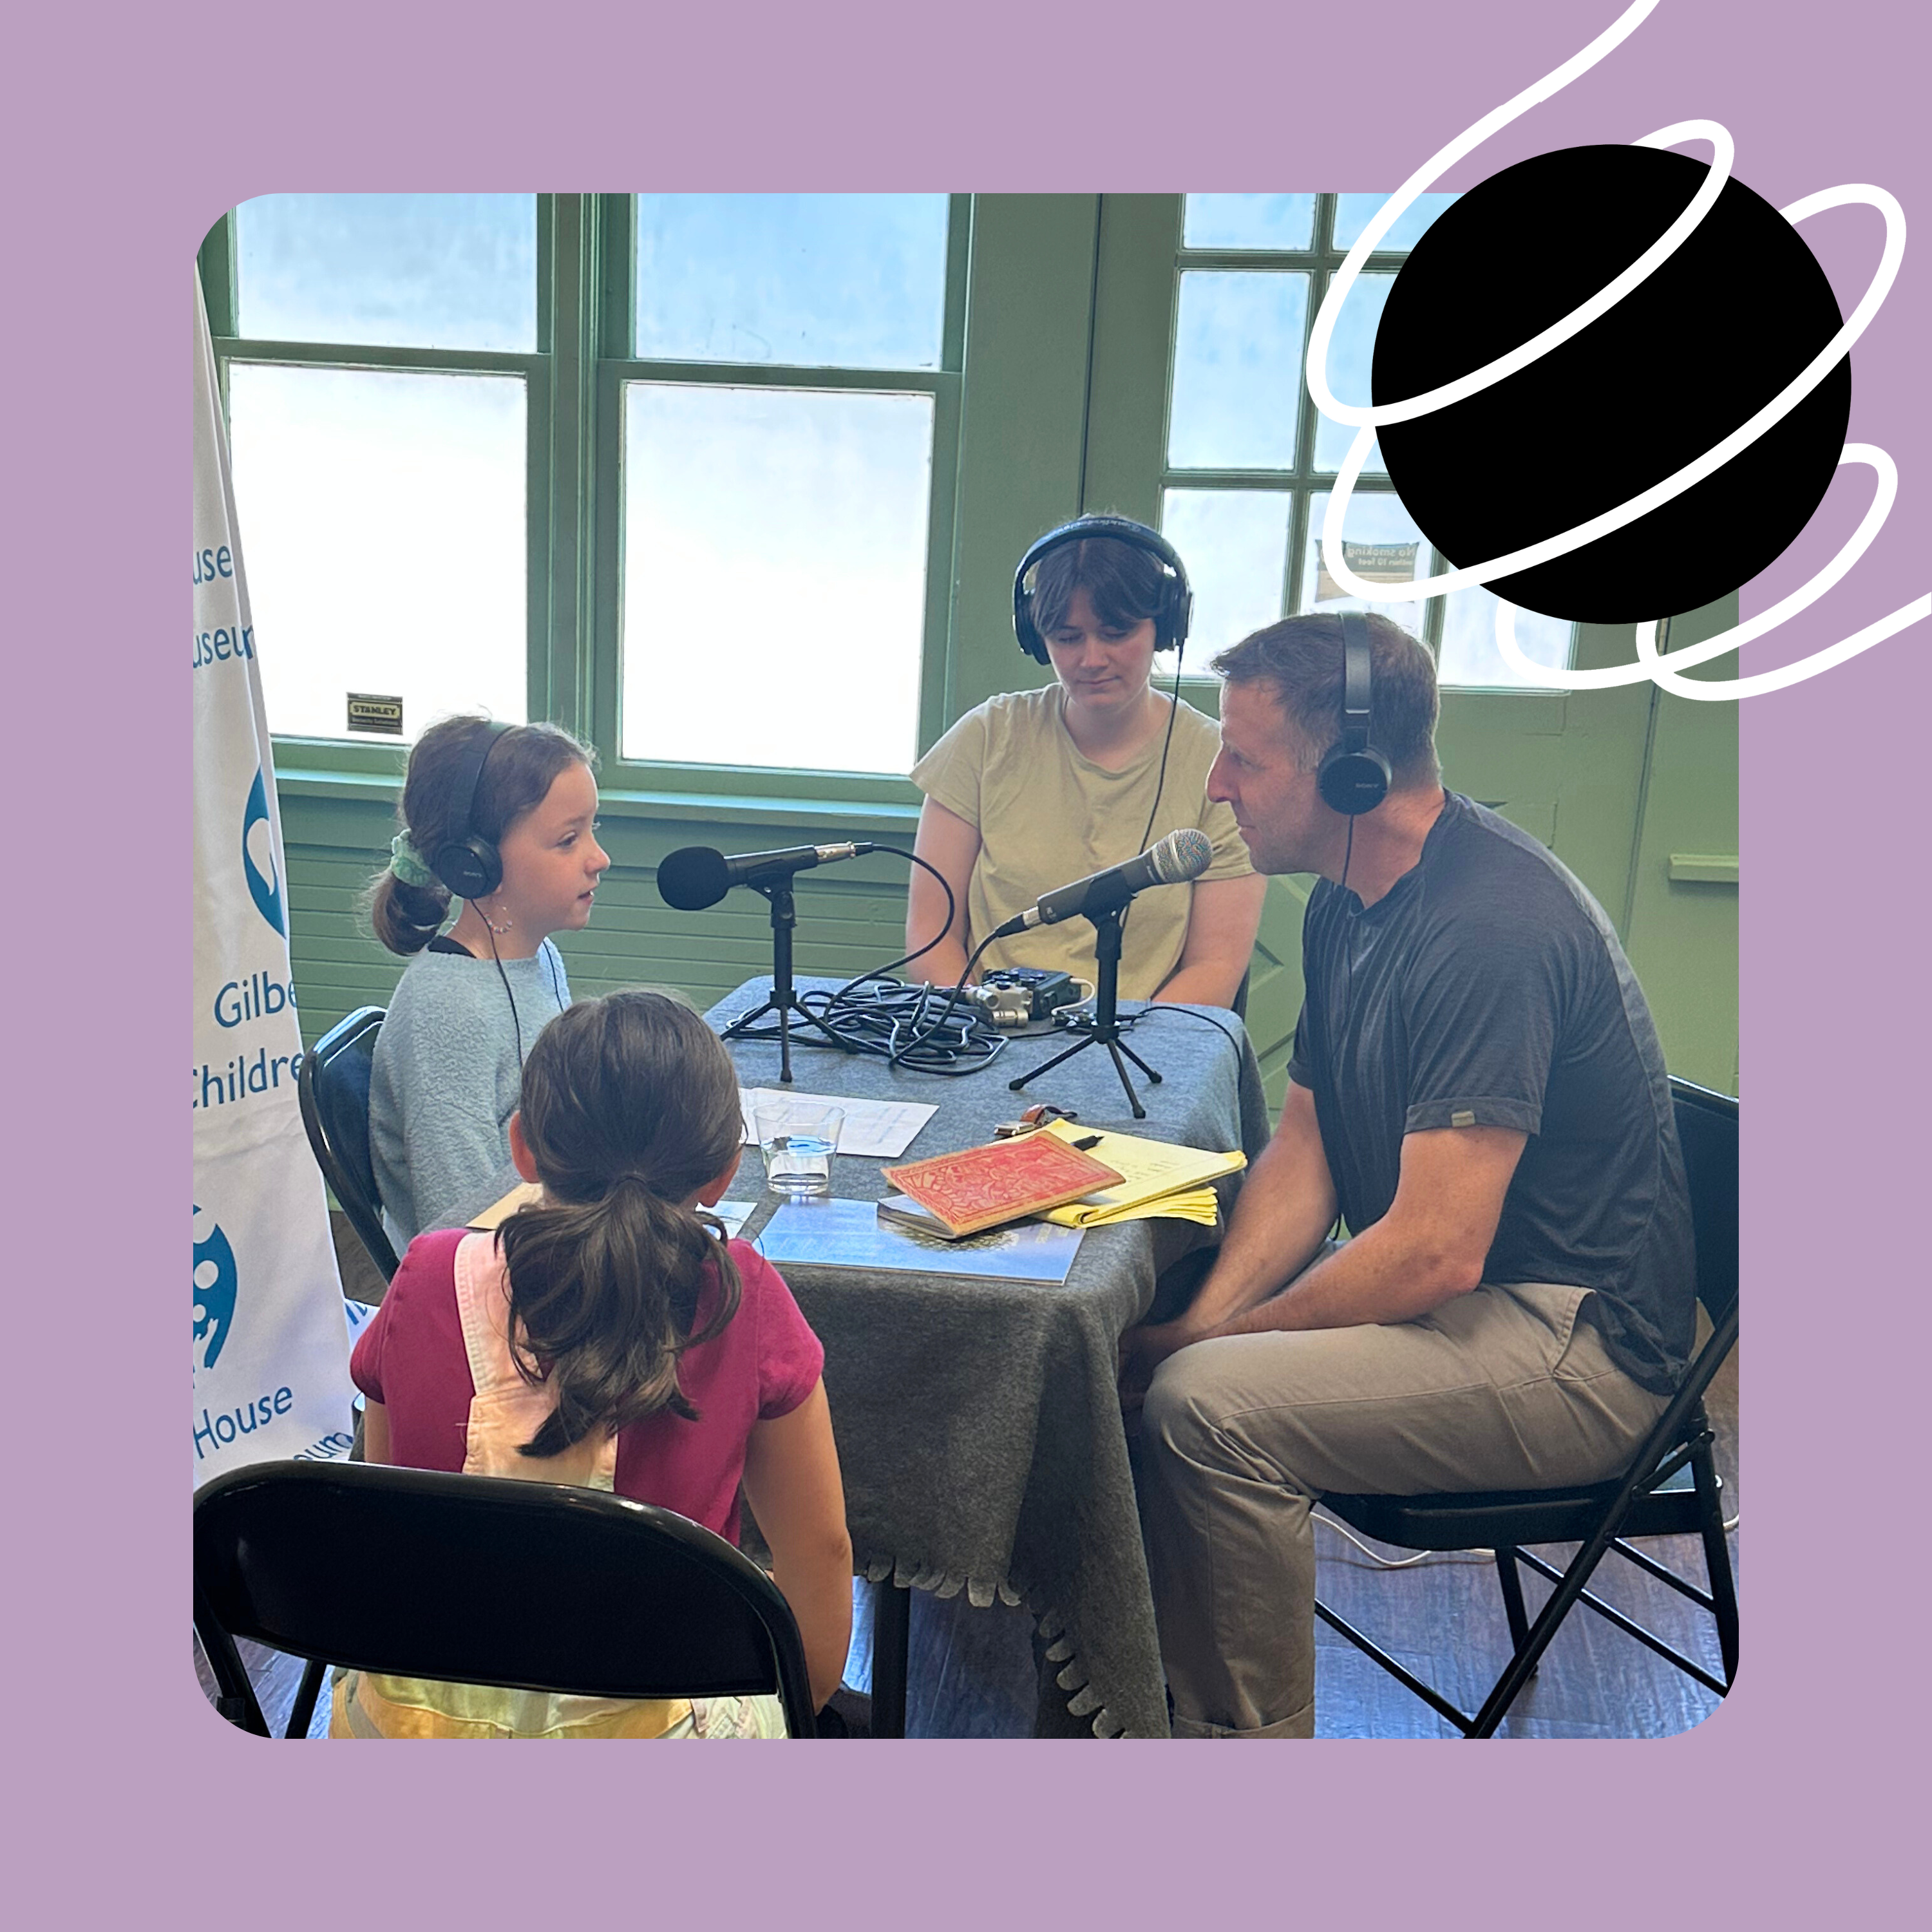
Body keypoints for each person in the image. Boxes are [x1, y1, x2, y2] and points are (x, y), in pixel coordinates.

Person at [1125, 611, 1696, 1738]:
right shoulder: (1348, 899)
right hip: (1476, 1298)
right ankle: (1137, 1699)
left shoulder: (1490, 926)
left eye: (1245, 758)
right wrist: (1205, 1317)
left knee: (1202, 1407)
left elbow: (1435, 1252)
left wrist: (1206, 1350)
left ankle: (1239, 1760)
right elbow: (1307, 1149)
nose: (1218, 784)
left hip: (1578, 1349)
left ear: (1352, 773)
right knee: (1151, 1314)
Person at [336, 989, 853, 1738]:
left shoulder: (426, 1273)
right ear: (723, 1171)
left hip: (411, 1729)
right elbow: (820, 1552)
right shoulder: (742, 1299)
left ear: (522, 1148)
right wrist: (797, 1709)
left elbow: (387, 1518)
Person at [907, 518, 1265, 1006]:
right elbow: (931, 938)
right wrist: (985, 1021)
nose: (1091, 659)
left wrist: (1123, 1045)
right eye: (1068, 637)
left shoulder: (1216, 762)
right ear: (1037, 637)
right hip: (988, 1031)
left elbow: (1215, 966)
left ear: (1165, 627)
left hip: (1143, 1042)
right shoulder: (987, 737)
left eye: (1116, 633)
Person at [367, 715, 609, 1245]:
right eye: (568, 840)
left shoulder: (540, 958)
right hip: (500, 1274)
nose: (599, 858)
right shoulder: (448, 1012)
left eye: (595, 829)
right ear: (475, 863)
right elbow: (461, 1231)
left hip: (555, 1233)